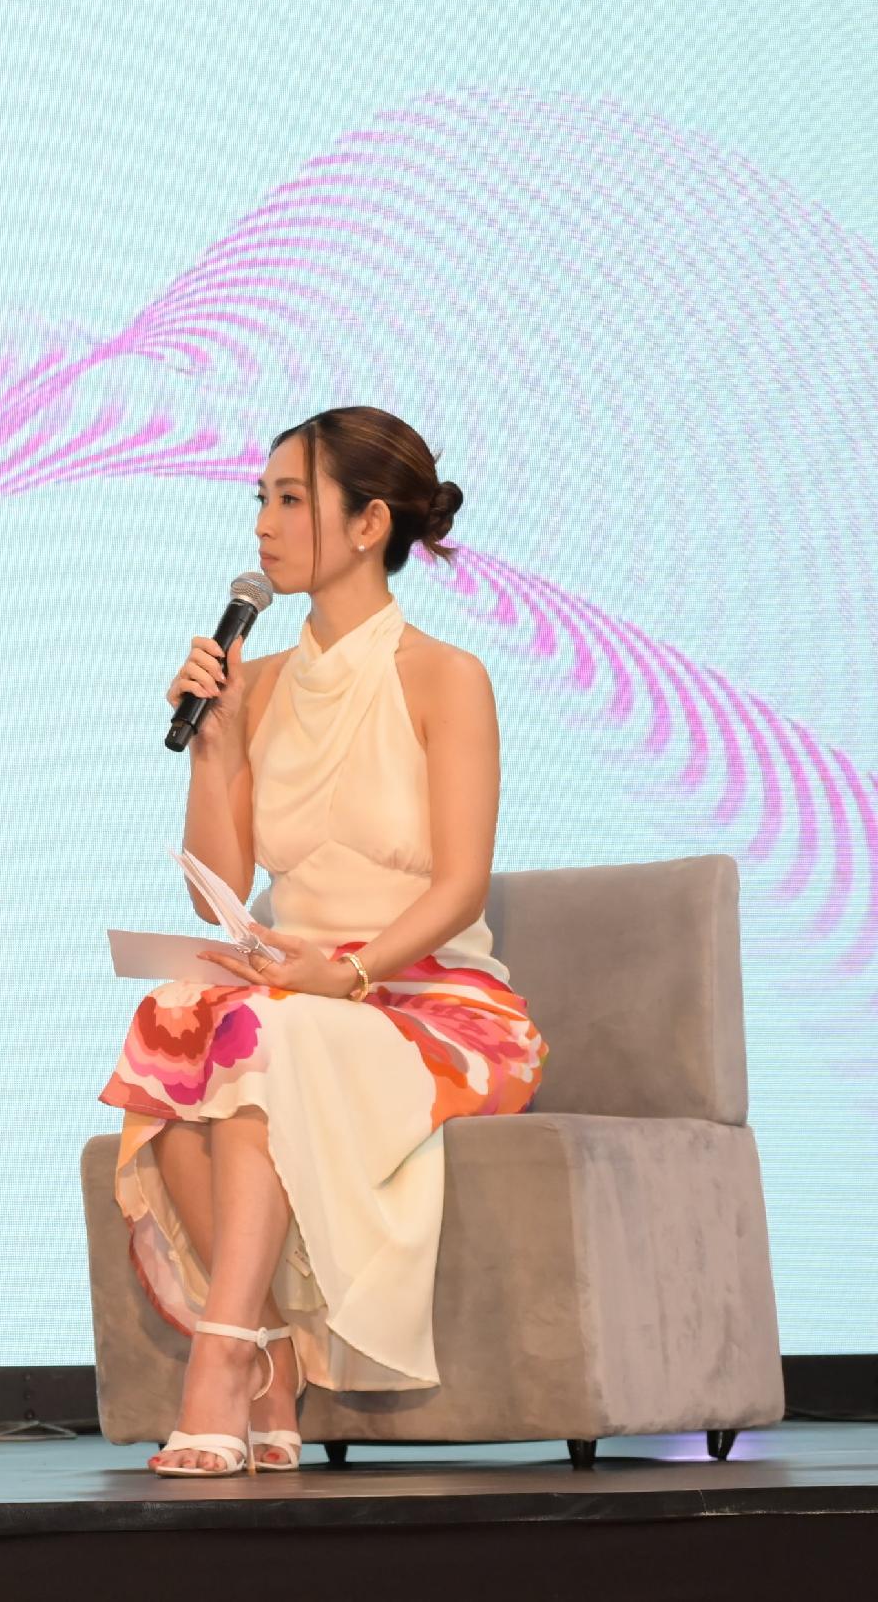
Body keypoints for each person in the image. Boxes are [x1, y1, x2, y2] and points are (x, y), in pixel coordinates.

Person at [104, 408, 544, 1477]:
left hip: (428, 1000)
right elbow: (225, 891)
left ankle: (222, 1365)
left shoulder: (447, 678)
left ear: (367, 524)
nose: (262, 526)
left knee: (258, 1037)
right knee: (172, 1023)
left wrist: (345, 971)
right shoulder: (255, 682)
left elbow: (458, 888)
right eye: (258, 499)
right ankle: (267, 1357)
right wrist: (210, 748)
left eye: (290, 500)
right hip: (291, 987)